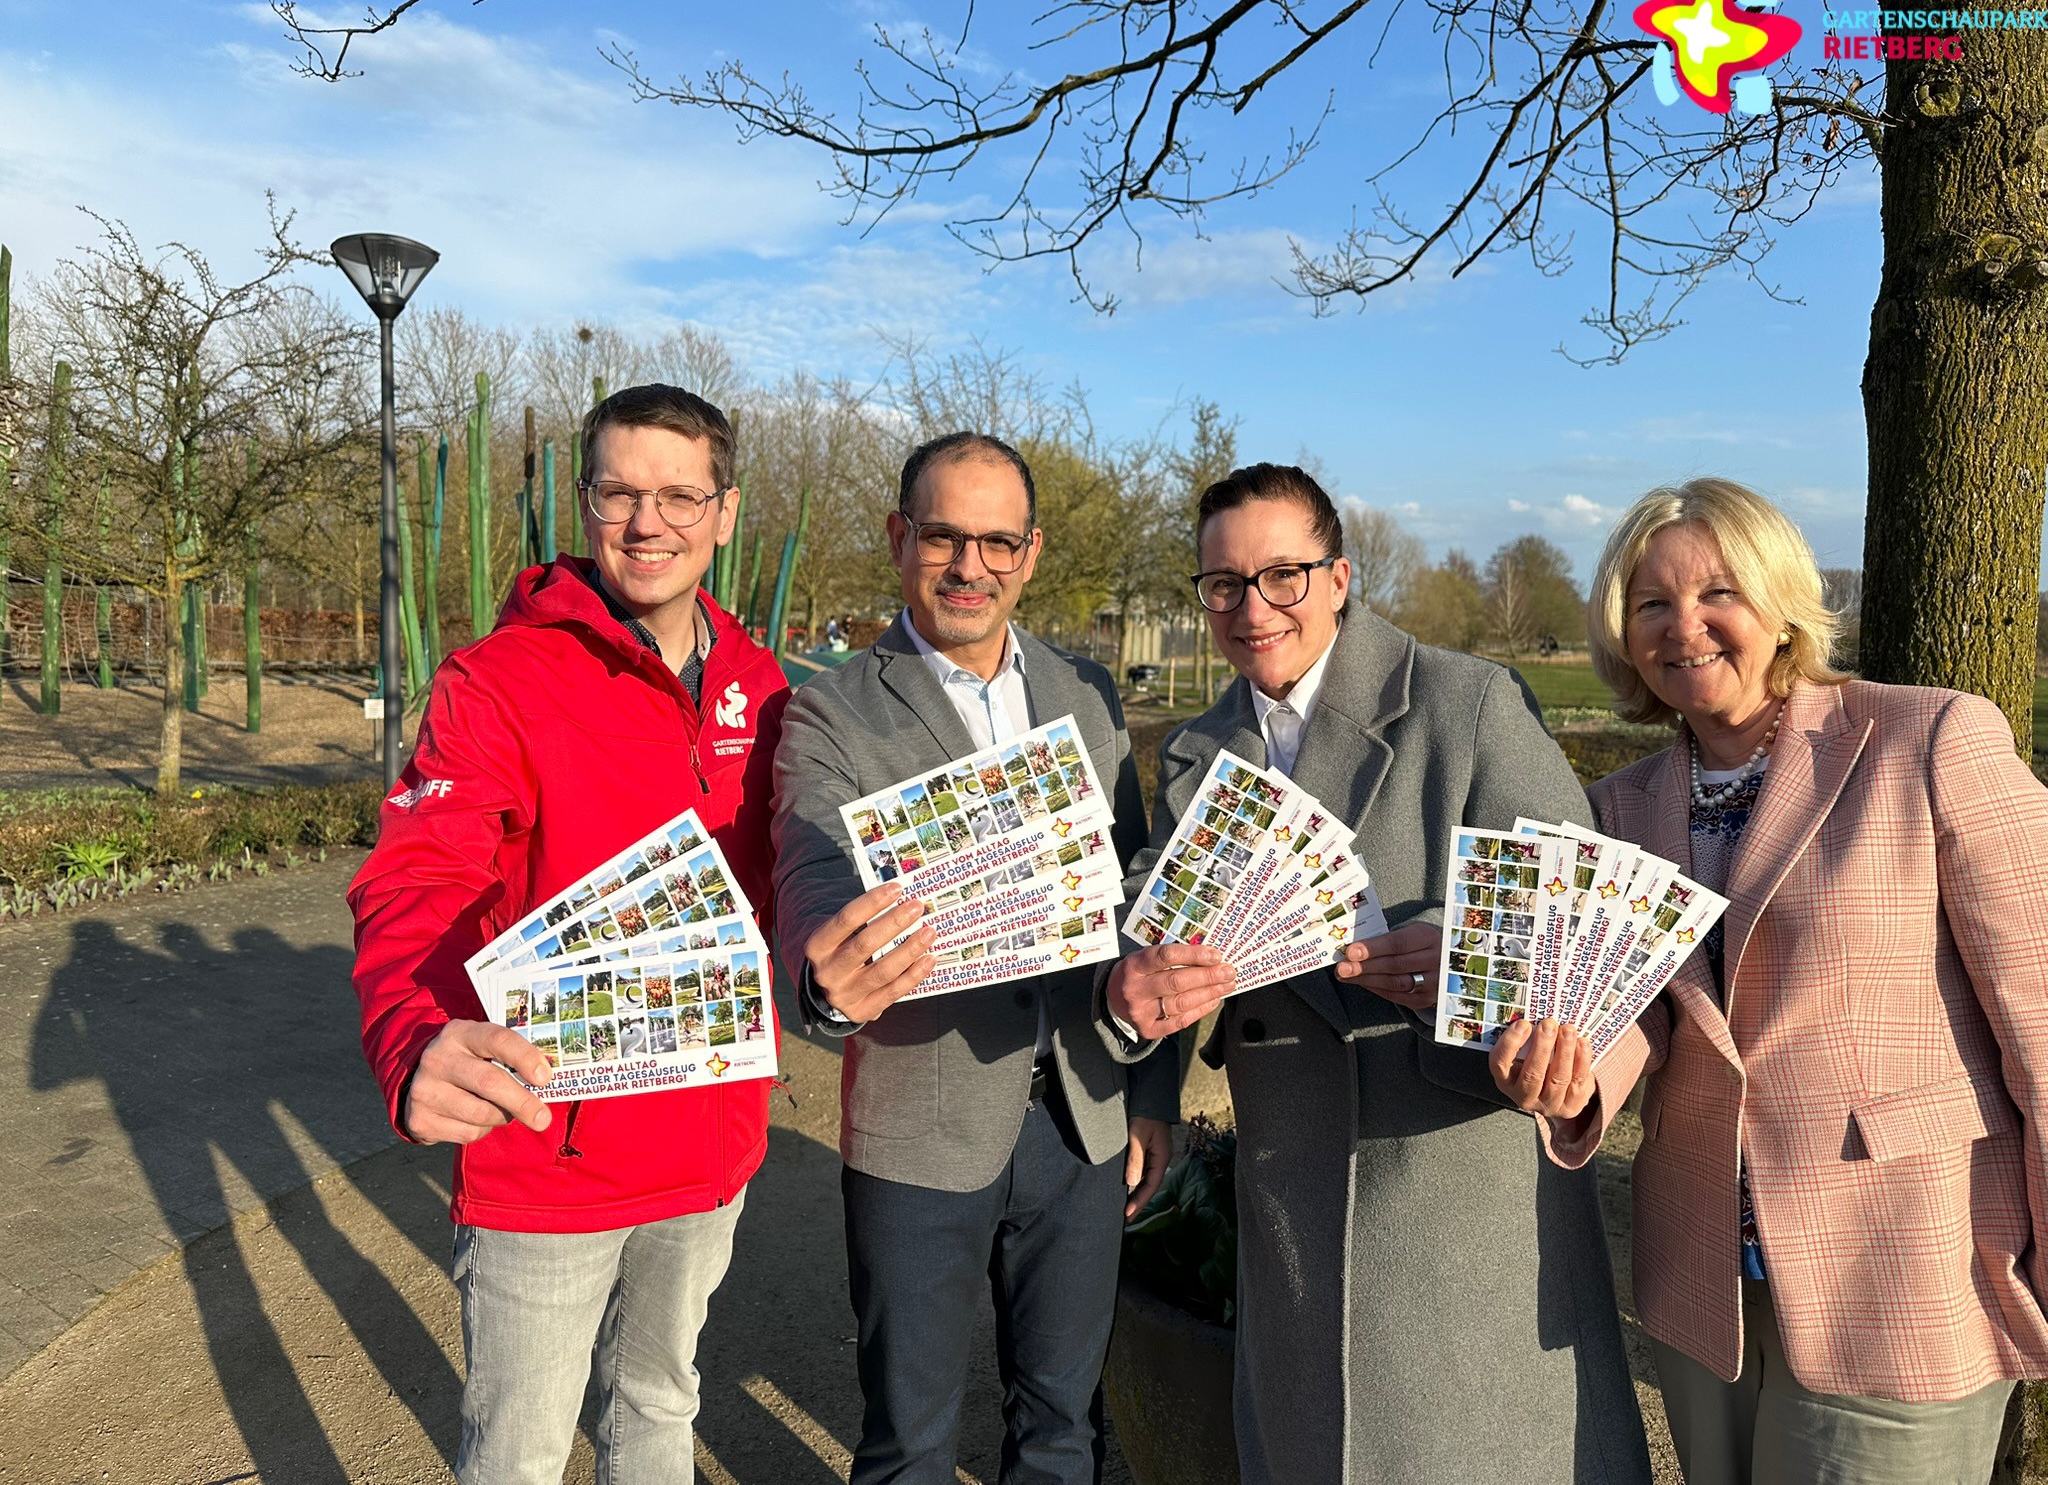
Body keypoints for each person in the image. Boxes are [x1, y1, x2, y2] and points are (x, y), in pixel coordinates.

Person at [1103, 463, 1650, 1485]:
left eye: (1282, 576)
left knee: (1475, 1449)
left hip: (1453, 1162)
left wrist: (1463, 948)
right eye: (1221, 584)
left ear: (1339, 576)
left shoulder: (1467, 702)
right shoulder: (1194, 751)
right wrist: (1146, 1085)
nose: (1251, 609)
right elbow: (1157, 937)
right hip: (1290, 1169)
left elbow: (1582, 919)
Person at [1495, 477, 2048, 1485]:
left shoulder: (1925, 741)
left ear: (1780, 603)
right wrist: (1573, 1077)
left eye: (1717, 594)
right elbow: (1644, 1017)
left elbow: (2039, 1012)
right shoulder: (1615, 808)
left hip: (1903, 1262)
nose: (1682, 627)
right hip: (1706, 1283)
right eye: (1649, 604)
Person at [348, 384, 789, 1485]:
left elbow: (785, 890)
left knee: (658, 1406)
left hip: (707, 1144)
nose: (650, 523)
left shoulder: (763, 684)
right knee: (519, 1454)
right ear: (581, 502)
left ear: (725, 513)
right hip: (552, 1149)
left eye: (681, 495)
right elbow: (419, 876)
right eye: (620, 492)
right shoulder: (496, 681)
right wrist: (409, 1031)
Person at [770, 432, 1181, 1485]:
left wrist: (1152, 1090)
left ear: (1030, 552)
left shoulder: (1085, 692)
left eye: (997, 541)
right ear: (899, 537)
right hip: (923, 1117)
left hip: (1084, 1114)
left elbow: (1135, 898)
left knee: (1061, 1426)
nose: (969, 565)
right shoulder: (830, 707)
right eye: (943, 535)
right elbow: (808, 859)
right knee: (907, 1438)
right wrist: (822, 974)